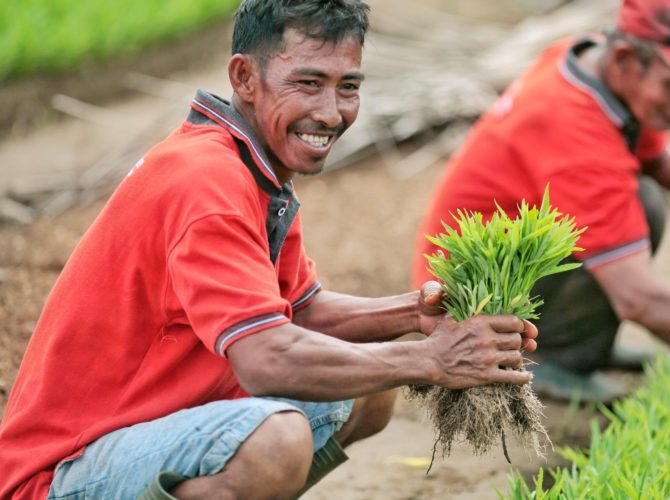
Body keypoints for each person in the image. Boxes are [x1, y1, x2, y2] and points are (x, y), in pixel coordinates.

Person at [0, 1, 539, 498]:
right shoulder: (206, 183)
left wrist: (415, 315)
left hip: (147, 426)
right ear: (245, 78)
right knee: (276, 441)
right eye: (308, 83)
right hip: (63, 469)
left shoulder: (252, 167)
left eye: (347, 86)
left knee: (368, 388)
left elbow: (302, 312)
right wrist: (429, 360)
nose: (331, 112)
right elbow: (265, 359)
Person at [412, 0, 670, 404]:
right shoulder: (577, 130)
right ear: (625, 58)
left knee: (642, 200)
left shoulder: (588, 62)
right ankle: (550, 358)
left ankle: (584, 344)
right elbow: (639, 299)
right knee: (632, 216)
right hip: (463, 299)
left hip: (501, 254)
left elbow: (657, 160)